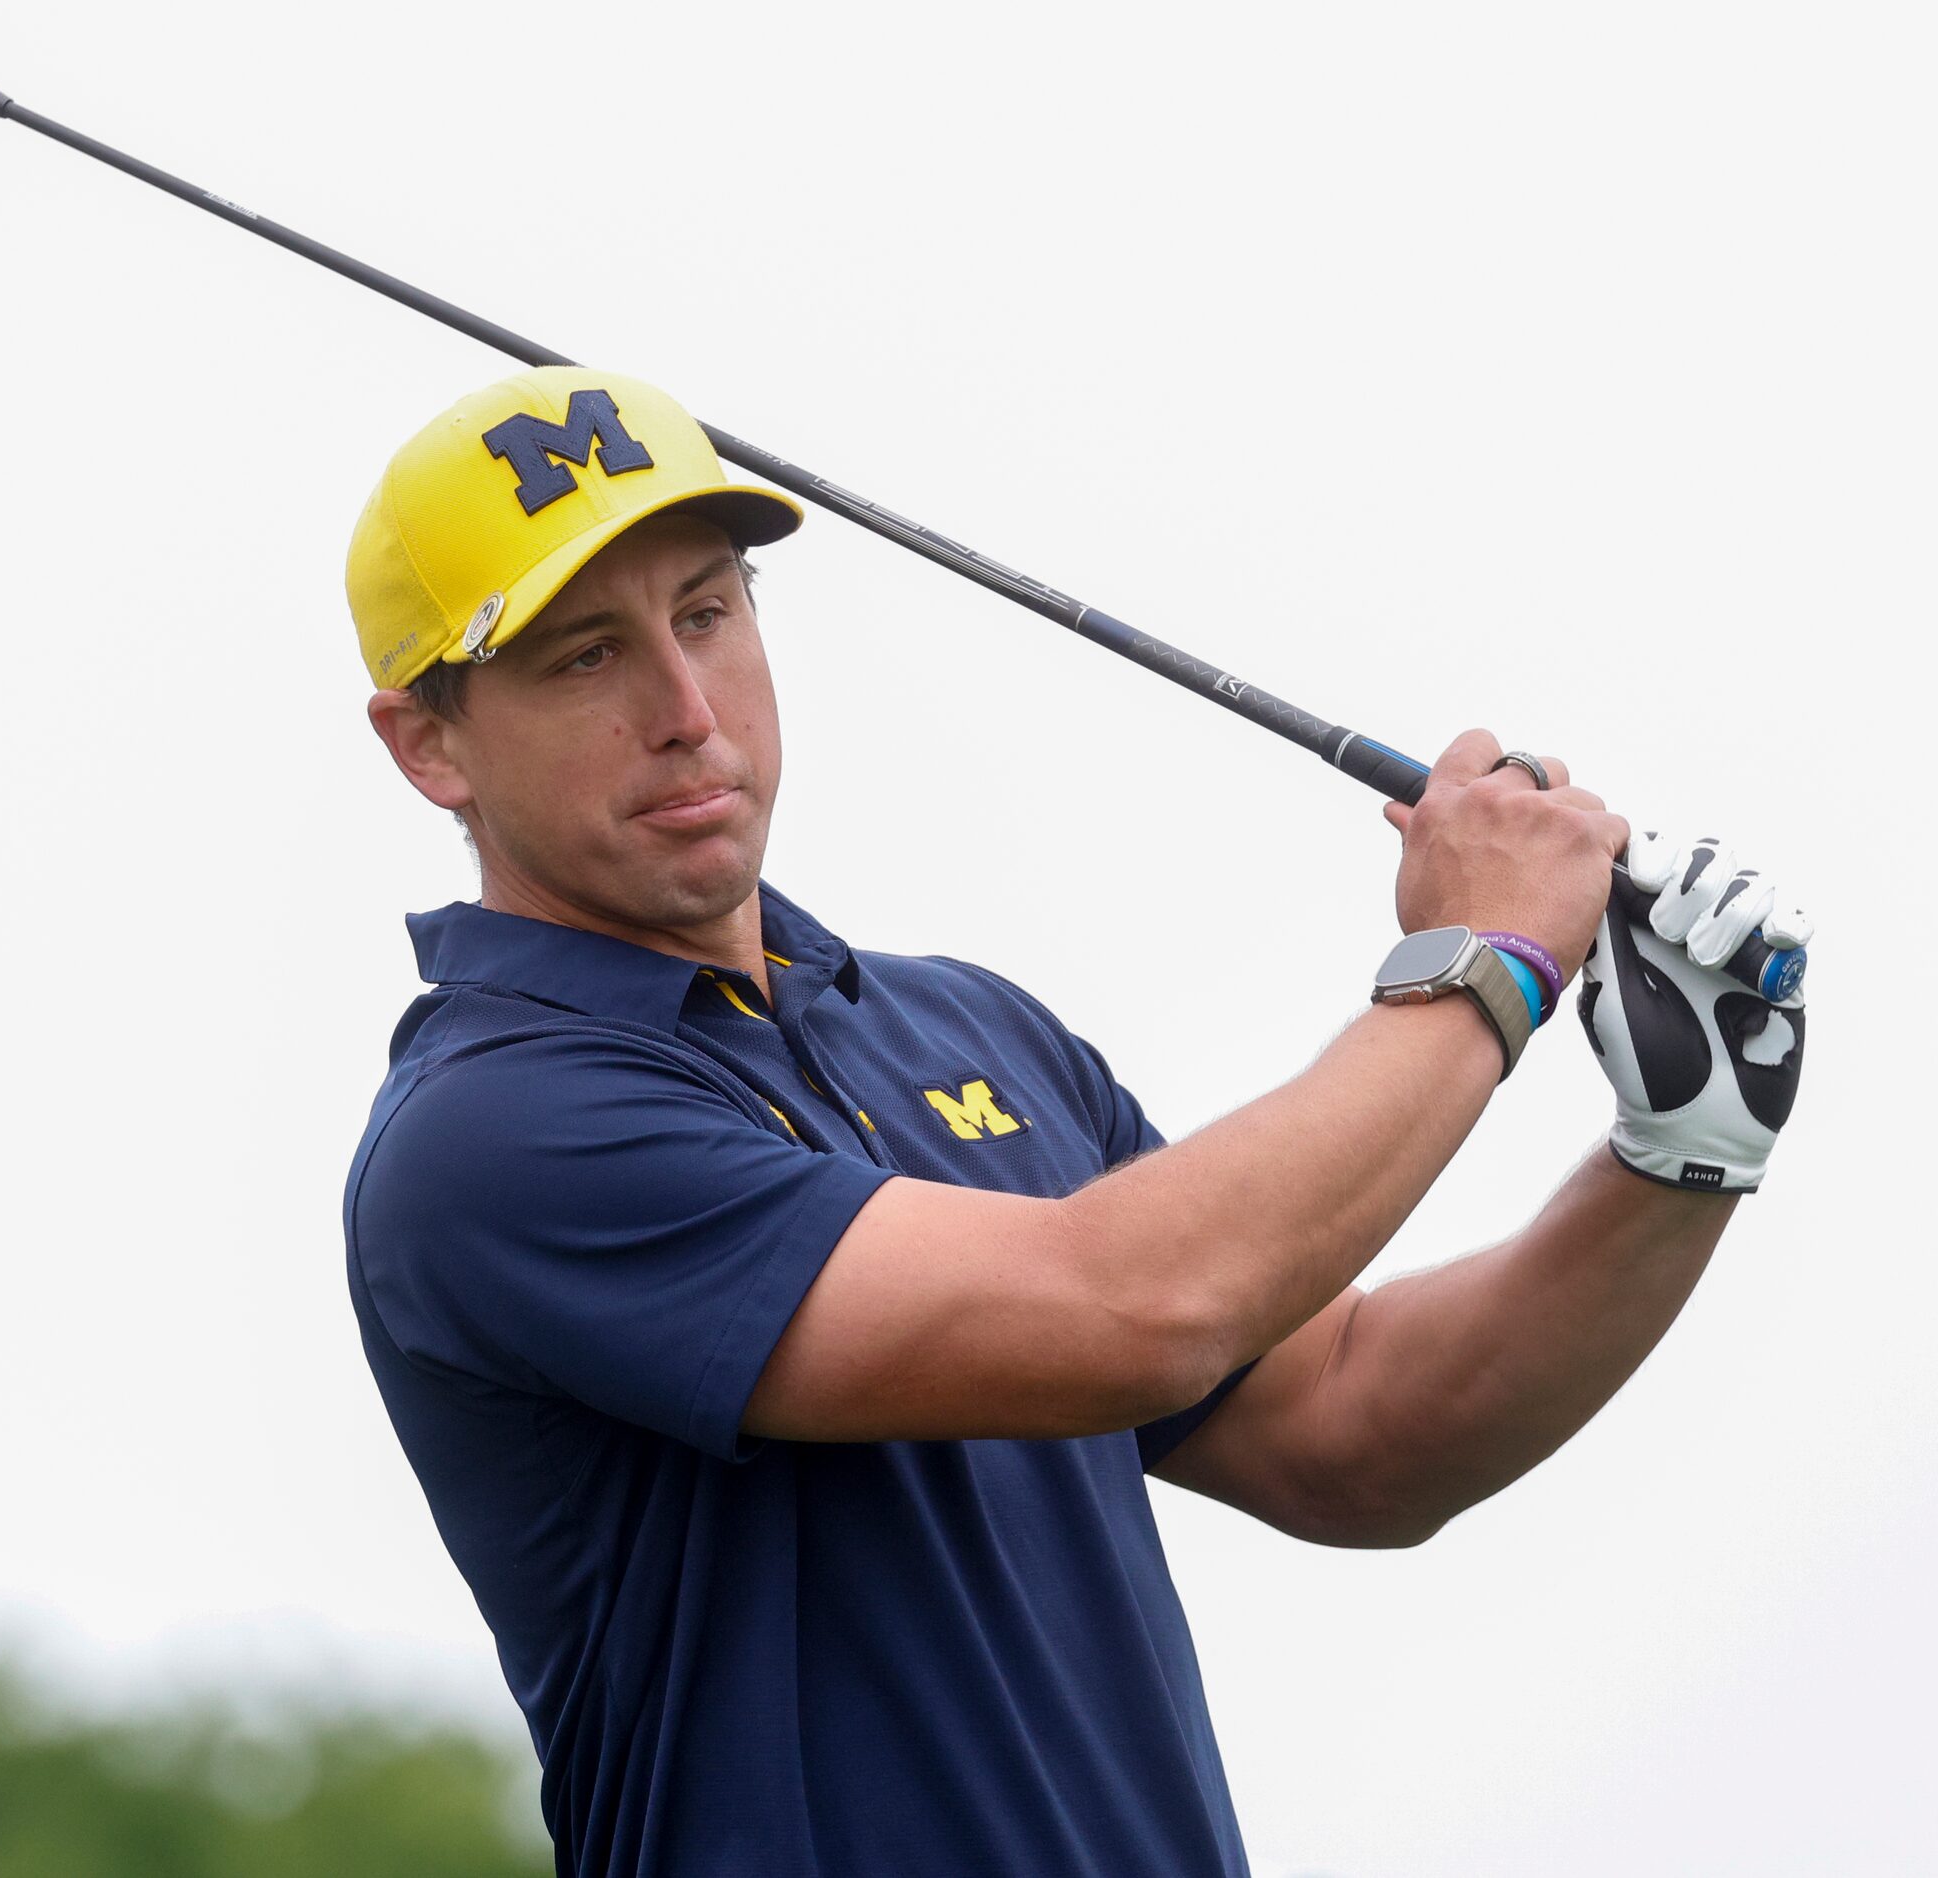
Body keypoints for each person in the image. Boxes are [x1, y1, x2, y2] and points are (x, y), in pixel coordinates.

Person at [341, 368, 1811, 1877]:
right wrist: (1485, 962)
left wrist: (1685, 1150)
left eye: (708, 613)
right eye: (589, 656)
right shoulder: (494, 1133)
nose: (686, 711)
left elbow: (1354, 1424)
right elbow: (1136, 1306)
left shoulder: (963, 1029)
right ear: (430, 745)